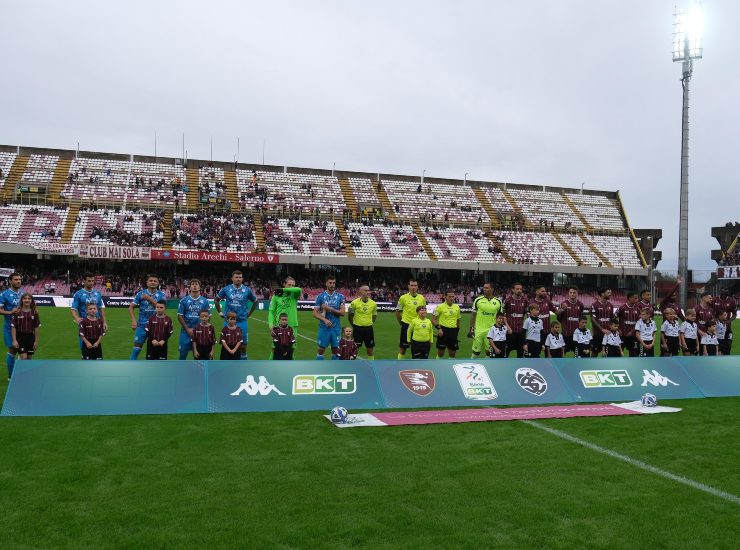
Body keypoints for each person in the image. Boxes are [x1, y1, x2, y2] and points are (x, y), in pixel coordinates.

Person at [215, 270, 257, 360]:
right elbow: (216, 299)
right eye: (236, 277)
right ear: (232, 278)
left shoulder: (247, 290)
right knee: (226, 343)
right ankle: (227, 361)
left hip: (242, 321)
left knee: (243, 344)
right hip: (228, 321)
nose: (238, 279)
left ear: (242, 279)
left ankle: (242, 362)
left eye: (240, 277)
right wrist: (220, 312)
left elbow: (255, 301)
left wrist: (249, 314)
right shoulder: (226, 289)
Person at [129, 274, 167, 360]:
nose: (152, 282)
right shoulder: (140, 294)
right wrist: (133, 320)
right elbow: (131, 307)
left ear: (158, 283)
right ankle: (130, 366)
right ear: (147, 282)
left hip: (156, 327)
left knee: (155, 350)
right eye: (151, 280)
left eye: (155, 281)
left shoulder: (162, 294)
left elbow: (161, 309)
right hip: (142, 325)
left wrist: (149, 299)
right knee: (136, 348)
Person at [71, 272, 107, 352]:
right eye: (89, 281)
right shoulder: (78, 294)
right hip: (85, 326)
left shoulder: (98, 293)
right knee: (85, 350)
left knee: (96, 350)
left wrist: (104, 322)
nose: (91, 283)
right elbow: (73, 309)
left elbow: (101, 308)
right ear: (84, 281)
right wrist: (76, 318)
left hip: (97, 325)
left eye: (92, 281)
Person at [312, 276, 345, 360]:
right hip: (324, 327)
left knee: (335, 350)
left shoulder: (340, 296)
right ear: (326, 283)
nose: (332, 284)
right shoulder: (320, 296)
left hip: (336, 328)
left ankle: (334, 369)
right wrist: (325, 320)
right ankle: (319, 369)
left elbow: (342, 313)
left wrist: (329, 309)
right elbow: (315, 313)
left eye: (334, 283)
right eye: (330, 283)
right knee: (321, 349)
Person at [268, 276, 302, 355]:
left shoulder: (294, 294)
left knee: (291, 350)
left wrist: (282, 289)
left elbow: (299, 289)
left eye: (293, 285)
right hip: (278, 327)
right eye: (289, 285)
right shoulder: (276, 296)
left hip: (292, 326)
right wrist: (270, 325)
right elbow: (271, 311)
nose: (291, 287)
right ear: (284, 284)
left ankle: (290, 367)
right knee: (275, 349)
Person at [177, 279, 210, 360]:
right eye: (193, 284)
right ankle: (180, 369)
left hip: (200, 332)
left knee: (198, 355)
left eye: (196, 284)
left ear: (200, 287)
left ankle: (197, 371)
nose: (194, 286)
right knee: (183, 353)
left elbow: (208, 316)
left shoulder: (204, 301)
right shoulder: (184, 300)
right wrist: (187, 329)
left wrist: (200, 328)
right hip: (186, 332)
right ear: (189, 287)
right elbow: (180, 316)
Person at [469, 282, 502, 359]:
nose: (484, 289)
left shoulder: (498, 301)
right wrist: (471, 329)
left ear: (492, 289)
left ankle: (486, 367)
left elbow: (500, 316)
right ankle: (471, 366)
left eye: (487, 288)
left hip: (491, 331)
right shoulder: (478, 300)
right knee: (476, 352)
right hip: (479, 330)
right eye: (484, 288)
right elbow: (473, 315)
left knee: (489, 352)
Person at [396, 279, 427, 360]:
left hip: (418, 326)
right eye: (412, 285)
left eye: (415, 285)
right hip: (406, 325)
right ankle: (399, 365)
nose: (414, 287)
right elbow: (398, 313)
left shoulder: (421, 298)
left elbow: (423, 312)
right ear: (408, 286)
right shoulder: (403, 298)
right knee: (403, 349)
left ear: (417, 287)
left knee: (418, 349)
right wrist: (402, 323)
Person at [1, 273, 24, 378]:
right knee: (12, 349)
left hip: (23, 327)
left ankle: (19, 374)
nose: (18, 281)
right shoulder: (4, 294)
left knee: (23, 350)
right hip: (9, 328)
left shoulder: (22, 294)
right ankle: (11, 376)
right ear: (10, 281)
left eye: (19, 279)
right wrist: (10, 312)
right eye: (16, 279)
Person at [348, 284, 377, 360]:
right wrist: (354, 325)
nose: (368, 292)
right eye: (365, 290)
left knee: (370, 350)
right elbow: (350, 316)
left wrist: (369, 323)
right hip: (358, 329)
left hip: (369, 329)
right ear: (360, 292)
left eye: (368, 290)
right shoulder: (354, 303)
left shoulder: (373, 304)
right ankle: (353, 367)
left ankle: (371, 366)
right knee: (355, 349)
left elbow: (374, 316)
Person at [10, 293, 40, 362]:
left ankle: (26, 373)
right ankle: (20, 372)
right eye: (25, 298)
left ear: (32, 301)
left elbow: (36, 327)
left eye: (29, 299)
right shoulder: (17, 312)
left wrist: (36, 341)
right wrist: (14, 340)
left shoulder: (34, 312)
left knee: (29, 359)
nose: (27, 300)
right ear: (22, 300)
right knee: (24, 358)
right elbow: (13, 326)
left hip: (30, 337)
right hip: (20, 337)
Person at [556, 286, 585, 355]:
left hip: (577, 334)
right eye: (571, 292)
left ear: (577, 293)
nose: (572, 294)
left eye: (574, 292)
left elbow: (580, 317)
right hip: (566, 333)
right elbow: (558, 317)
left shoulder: (580, 305)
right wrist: (563, 310)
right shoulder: (563, 304)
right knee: (562, 353)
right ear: (568, 293)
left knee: (577, 353)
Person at [433, 290, 461, 358]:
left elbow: (458, 320)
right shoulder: (439, 307)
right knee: (441, 353)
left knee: (452, 353)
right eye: (449, 296)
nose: (451, 298)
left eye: (453, 296)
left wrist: (457, 332)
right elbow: (433, 320)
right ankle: (437, 366)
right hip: (443, 330)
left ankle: (450, 366)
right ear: (445, 297)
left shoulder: (457, 307)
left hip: (453, 331)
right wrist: (439, 329)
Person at [504, 282, 528, 357]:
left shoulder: (525, 301)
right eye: (517, 289)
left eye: (520, 289)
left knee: (520, 354)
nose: (519, 290)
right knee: (506, 353)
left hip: (521, 332)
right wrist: (507, 327)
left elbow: (527, 315)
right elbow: (502, 315)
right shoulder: (508, 301)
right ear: (512, 290)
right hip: (510, 332)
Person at [590, 288, 614, 356]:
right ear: (602, 294)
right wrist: (602, 329)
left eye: (610, 292)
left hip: (608, 334)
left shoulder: (610, 305)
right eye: (608, 292)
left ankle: (605, 366)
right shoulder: (594, 305)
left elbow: (611, 319)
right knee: (595, 352)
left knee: (607, 353)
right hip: (597, 334)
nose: (610, 294)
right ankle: (592, 366)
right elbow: (593, 319)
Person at [617, 291, 641, 357]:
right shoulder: (622, 308)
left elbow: (638, 322)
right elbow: (615, 318)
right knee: (619, 352)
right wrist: (618, 329)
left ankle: (632, 366)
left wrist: (632, 331)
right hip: (622, 335)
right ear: (629, 298)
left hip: (633, 335)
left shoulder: (638, 309)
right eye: (635, 298)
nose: (637, 300)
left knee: (633, 353)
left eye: (637, 298)